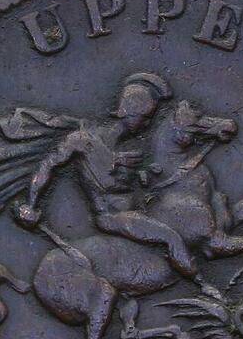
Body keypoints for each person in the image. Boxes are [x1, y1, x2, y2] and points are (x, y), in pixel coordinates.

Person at [14, 72, 197, 277]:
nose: (147, 125)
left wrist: (143, 175)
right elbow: (48, 165)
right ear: (129, 112)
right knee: (171, 237)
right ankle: (202, 283)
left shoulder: (130, 147)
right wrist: (30, 205)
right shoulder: (82, 141)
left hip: (138, 210)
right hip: (112, 215)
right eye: (145, 118)